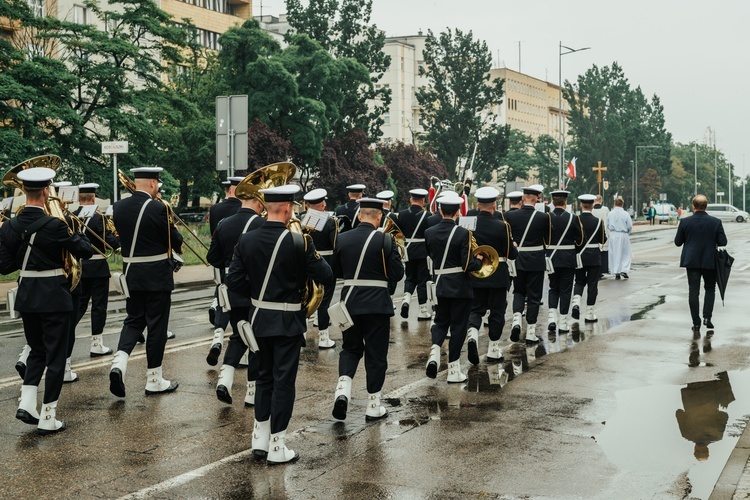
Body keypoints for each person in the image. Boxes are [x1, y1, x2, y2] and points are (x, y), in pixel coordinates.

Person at [226, 184, 334, 465]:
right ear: (287, 208)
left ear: (265, 207)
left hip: (258, 320)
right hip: (287, 321)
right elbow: (326, 274)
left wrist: (258, 291)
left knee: (262, 378)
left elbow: (234, 282)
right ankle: (278, 445)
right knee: (283, 382)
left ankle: (259, 439)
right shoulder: (300, 242)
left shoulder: (246, 240)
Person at [0, 166, 94, 434]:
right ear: (45, 191)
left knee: (36, 350)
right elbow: (85, 251)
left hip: (27, 295)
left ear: (23, 191)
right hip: (54, 295)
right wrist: (71, 229)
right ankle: (49, 416)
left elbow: (4, 267)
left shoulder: (9, 226)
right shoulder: (56, 225)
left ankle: (28, 403)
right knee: (56, 356)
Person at [109, 167, 183, 398]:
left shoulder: (118, 207)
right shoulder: (159, 207)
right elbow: (175, 239)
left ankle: (119, 363)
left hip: (132, 274)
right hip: (157, 276)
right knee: (157, 326)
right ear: (152, 183)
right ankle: (154, 379)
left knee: (133, 320)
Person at [330, 198, 404, 421]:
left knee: (350, 349)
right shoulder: (386, 240)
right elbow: (397, 274)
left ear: (360, 215)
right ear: (379, 217)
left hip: (350, 303)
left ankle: (343, 389)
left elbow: (335, 271)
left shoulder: (341, 238)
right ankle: (373, 406)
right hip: (377, 306)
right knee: (376, 354)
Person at [207, 185, 266, 406]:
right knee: (256, 338)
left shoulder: (224, 224)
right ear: (259, 203)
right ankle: (251, 392)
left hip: (232, 288)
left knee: (239, 334)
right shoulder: (262, 224)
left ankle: (226, 375)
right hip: (256, 288)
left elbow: (213, 258)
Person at [424, 193, 483, 383]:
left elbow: (432, 257)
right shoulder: (463, 233)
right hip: (459, 287)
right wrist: (479, 261)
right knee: (458, 326)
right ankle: (453, 370)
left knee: (440, 321)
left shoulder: (429, 232)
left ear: (440, 210)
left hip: (439, 284)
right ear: (458, 212)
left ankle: (434, 351)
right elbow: (467, 265)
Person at [466, 187, 516, 364]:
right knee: (497, 311)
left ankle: (472, 334)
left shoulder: (468, 224)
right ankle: (493, 350)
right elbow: (512, 254)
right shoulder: (502, 226)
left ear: (478, 205)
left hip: (475, 273)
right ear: (494, 205)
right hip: (497, 275)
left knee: (475, 309)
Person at [74, 183, 121, 357]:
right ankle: (96, 344)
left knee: (80, 305)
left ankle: (66, 333)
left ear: (79, 198)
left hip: (79, 267)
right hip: (98, 267)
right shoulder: (99, 217)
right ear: (93, 198)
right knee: (99, 307)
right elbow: (109, 241)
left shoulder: (71, 215)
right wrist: (118, 242)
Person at [504, 185, 552, 343]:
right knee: (534, 296)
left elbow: (507, 238)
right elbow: (548, 240)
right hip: (536, 260)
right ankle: (531, 332)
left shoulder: (510, 216)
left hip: (518, 259)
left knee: (518, 292)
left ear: (523, 199)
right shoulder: (544, 217)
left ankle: (517, 319)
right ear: (537, 199)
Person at [674, 194, 727, 331]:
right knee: (710, 289)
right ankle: (707, 317)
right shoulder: (715, 222)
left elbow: (678, 242)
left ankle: (696, 323)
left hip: (691, 261)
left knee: (693, 291)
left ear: (693, 206)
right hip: (710, 261)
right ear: (706, 206)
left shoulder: (685, 222)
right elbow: (723, 242)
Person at [302, 188, 338, 348]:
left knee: (304, 299)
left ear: (308, 205)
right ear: (323, 204)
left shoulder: (301, 220)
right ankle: (324, 338)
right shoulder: (330, 221)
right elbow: (336, 245)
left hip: (305, 265)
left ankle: (301, 334)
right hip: (326, 264)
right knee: (324, 302)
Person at [546, 190, 583, 334]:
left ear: (553, 201)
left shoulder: (547, 217)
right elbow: (580, 240)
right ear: (565, 202)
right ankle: (562, 323)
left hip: (552, 258)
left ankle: (551, 319)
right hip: (568, 258)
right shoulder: (573, 218)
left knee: (553, 288)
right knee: (566, 290)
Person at [208, 177, 243, 325]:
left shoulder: (215, 208)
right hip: (240, 254)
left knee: (221, 282)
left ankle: (217, 303)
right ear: (235, 190)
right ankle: (221, 307)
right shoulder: (244, 208)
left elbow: (212, 233)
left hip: (220, 253)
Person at [395, 188, 432, 321]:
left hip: (407, 250)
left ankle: (406, 299)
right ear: (423, 201)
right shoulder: (428, 216)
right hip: (423, 251)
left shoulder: (401, 214)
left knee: (410, 277)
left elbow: (398, 234)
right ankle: (422, 310)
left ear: (411, 199)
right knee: (423, 280)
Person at [572, 194, 607, 323]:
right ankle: (589, 314)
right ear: (593, 205)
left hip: (579, 256)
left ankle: (576, 301)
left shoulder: (576, 220)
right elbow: (603, 239)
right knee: (592, 285)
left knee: (579, 281)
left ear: (581, 205)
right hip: (594, 256)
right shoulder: (598, 221)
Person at [606, 197, 633, 280]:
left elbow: (607, 224)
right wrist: (627, 233)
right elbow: (629, 225)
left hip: (613, 234)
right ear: (622, 204)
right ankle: (624, 269)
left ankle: (616, 271)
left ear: (614, 204)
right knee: (625, 253)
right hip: (623, 234)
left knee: (614, 253)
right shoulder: (625, 214)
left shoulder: (610, 213)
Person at [592, 195, 610, 278]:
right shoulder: (605, 209)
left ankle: (595, 271)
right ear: (601, 200)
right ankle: (602, 270)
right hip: (603, 233)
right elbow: (608, 221)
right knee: (603, 253)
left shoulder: (591, 210)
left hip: (592, 235)